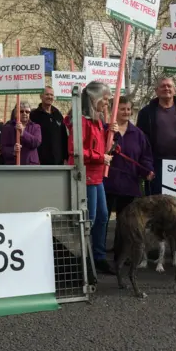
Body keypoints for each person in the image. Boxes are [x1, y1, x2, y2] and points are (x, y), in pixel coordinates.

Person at [66, 81, 113, 274]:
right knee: (90, 219)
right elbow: (75, 150)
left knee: (102, 216)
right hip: (85, 176)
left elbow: (98, 145)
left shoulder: (98, 122)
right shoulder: (82, 121)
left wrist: (110, 137)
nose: (107, 105)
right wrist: (100, 157)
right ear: (95, 99)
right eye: (105, 101)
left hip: (97, 176)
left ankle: (98, 256)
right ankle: (82, 258)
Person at [103, 96, 155, 261]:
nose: (126, 112)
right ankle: (99, 255)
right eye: (122, 108)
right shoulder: (106, 130)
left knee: (125, 224)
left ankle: (121, 257)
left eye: (128, 109)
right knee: (102, 221)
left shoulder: (138, 134)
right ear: (114, 110)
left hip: (129, 185)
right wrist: (109, 134)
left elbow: (145, 157)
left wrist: (148, 170)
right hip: (107, 184)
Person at [136, 76, 176, 195]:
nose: (166, 88)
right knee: (156, 200)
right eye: (162, 86)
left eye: (169, 86)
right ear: (156, 91)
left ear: (174, 90)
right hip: (156, 162)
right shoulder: (146, 112)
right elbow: (141, 139)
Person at [29, 86, 68, 165]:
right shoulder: (34, 115)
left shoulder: (58, 114)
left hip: (58, 161)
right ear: (41, 96)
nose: (49, 97)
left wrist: (65, 157)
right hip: (40, 161)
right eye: (47, 94)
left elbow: (64, 137)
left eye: (51, 95)